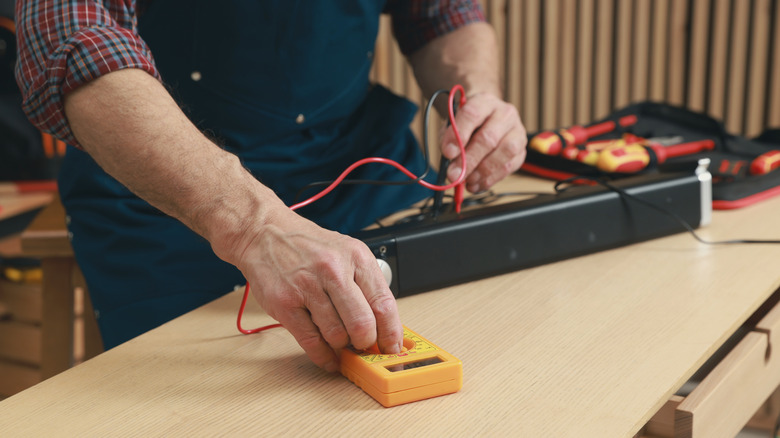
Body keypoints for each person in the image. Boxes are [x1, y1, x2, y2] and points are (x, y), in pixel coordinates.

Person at [15, 0, 527, 372]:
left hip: (361, 168)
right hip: (166, 201)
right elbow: (69, 39)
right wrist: (254, 226)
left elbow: (442, 13)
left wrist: (478, 99)